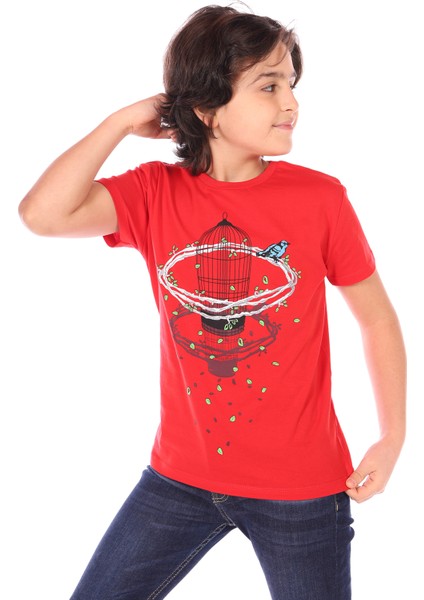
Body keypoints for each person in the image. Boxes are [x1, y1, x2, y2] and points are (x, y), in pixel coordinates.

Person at [18, 5, 406, 600]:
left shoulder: (320, 199)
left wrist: (392, 434)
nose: (291, 103)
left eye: (292, 85)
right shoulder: (153, 192)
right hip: (178, 479)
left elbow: (376, 317)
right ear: (207, 109)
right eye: (269, 86)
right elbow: (43, 215)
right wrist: (120, 122)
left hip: (301, 488)